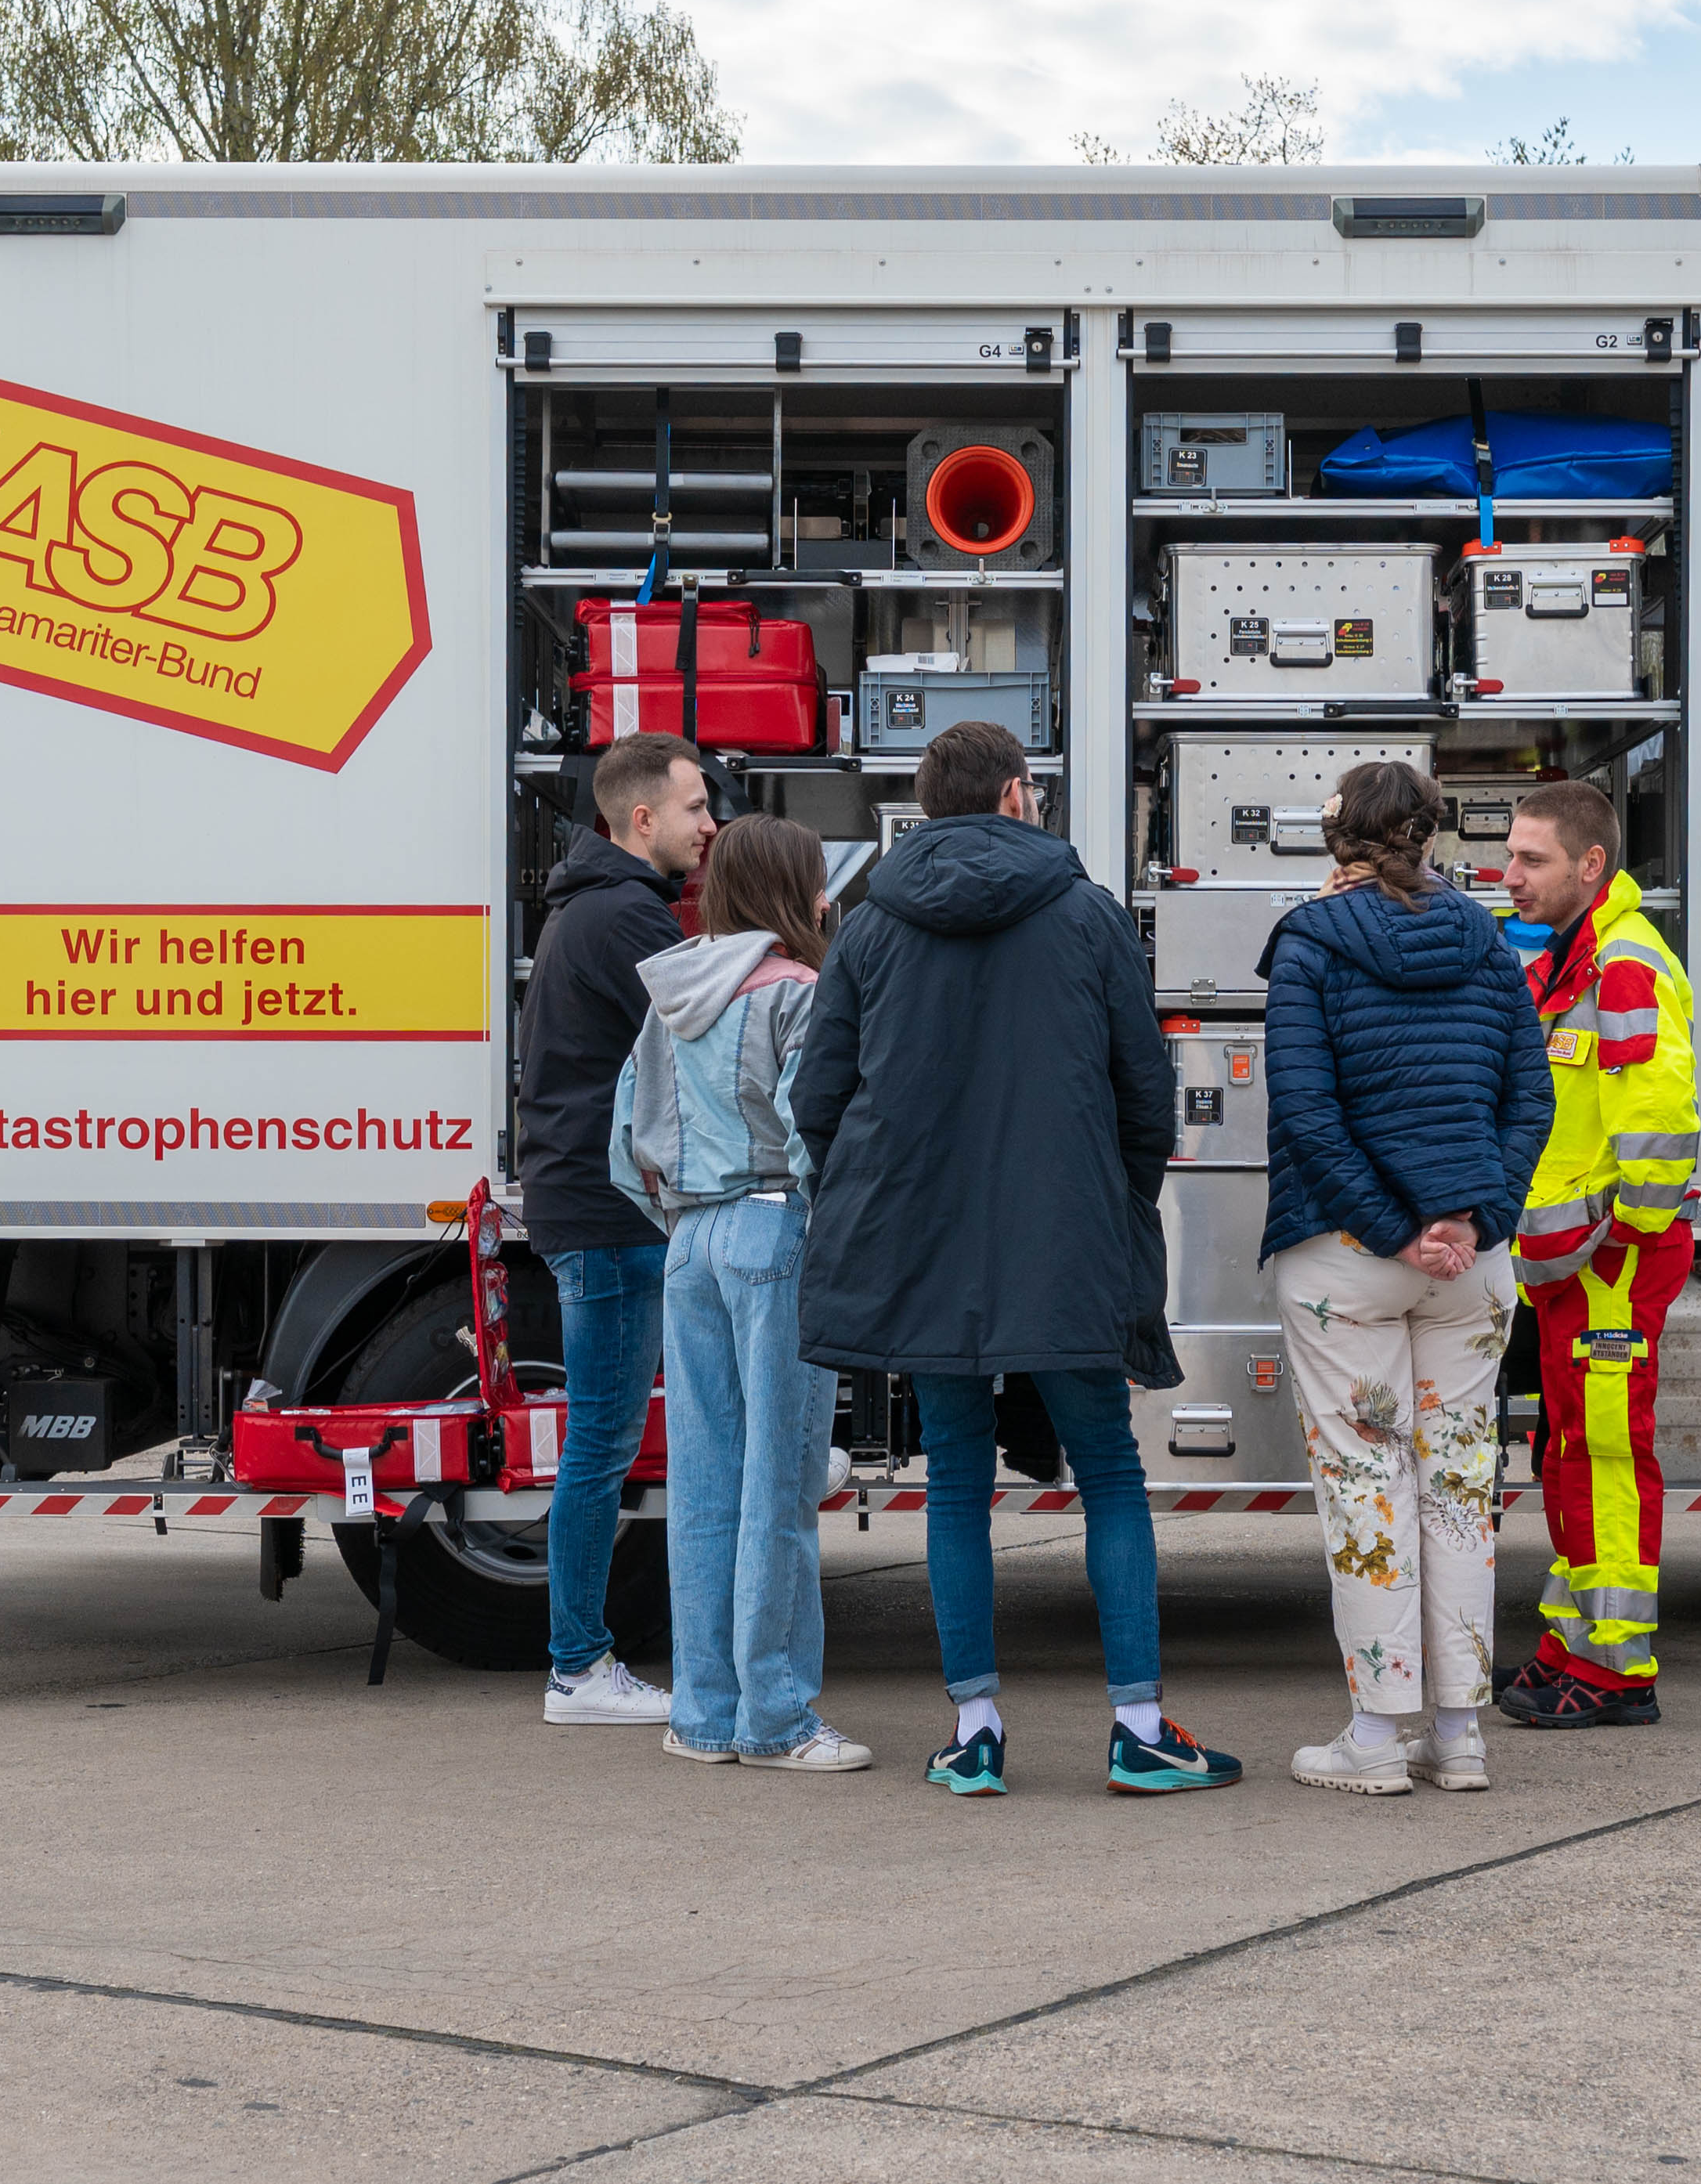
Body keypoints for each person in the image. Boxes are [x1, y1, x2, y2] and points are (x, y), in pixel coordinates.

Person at [791, 718, 1240, 1799]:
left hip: (924, 1239)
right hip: (1068, 1234)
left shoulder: (867, 926)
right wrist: (1114, 1203)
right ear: (1014, 796)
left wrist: (882, 1196)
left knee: (954, 1476)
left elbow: (818, 1098)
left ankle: (975, 1729)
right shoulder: (1088, 915)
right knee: (1110, 1470)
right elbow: (1147, 1091)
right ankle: (1138, 1727)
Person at [1256, 761, 1555, 1795]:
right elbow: (1531, 1097)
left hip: (1348, 1258)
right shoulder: (1488, 943)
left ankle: (1377, 1738)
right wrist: (1477, 1222)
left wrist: (1393, 1229)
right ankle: (1459, 1734)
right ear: (1431, 835)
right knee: (1462, 1490)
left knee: (1365, 1480)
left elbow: (1304, 1107)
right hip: (1470, 1264)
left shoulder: (1309, 942)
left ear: (1337, 836)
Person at [612, 814, 866, 1773]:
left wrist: (683, 1216)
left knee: (707, 1483)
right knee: (782, 1485)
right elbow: (816, 1129)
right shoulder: (800, 992)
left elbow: (622, 1141)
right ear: (795, 894)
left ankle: (706, 1713)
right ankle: (779, 1717)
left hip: (690, 1238)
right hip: (773, 1228)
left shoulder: (671, 992)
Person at [515, 728, 713, 1728]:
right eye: (694, 807)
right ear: (642, 819)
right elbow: (716, 1023)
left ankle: (579, 1661)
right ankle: (578, 1667)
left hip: (593, 1208)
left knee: (606, 1435)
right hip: (608, 1215)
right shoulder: (624, 921)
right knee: (600, 1441)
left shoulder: (595, 910)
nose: (708, 823)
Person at [1495, 779, 1700, 1730]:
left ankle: (1620, 1673)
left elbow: (1656, 1133)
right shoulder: (1573, 960)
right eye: (1508, 853)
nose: (1511, 874)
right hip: (1573, 1264)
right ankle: (1573, 1643)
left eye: (1532, 859)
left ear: (1590, 865)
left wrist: (1617, 1242)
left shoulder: (1621, 963)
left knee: (1606, 1454)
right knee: (1567, 1450)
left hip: (1608, 1263)